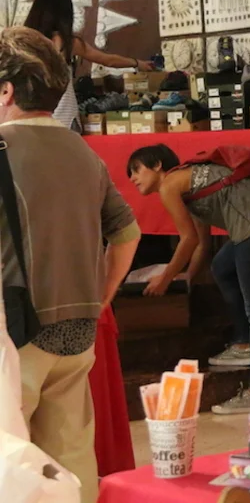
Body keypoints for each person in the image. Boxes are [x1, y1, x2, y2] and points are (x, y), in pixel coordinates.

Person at [0, 27, 140, 503]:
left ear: (6, 90)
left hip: (15, 333)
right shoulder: (83, 152)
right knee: (71, 463)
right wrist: (100, 298)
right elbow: (127, 234)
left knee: (11, 467)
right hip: (78, 331)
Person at [126, 144, 250, 414]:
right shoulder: (186, 184)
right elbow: (201, 243)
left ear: (157, 165)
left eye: (136, 170)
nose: (132, 178)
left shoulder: (170, 184)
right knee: (222, 267)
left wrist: (165, 278)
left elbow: (187, 239)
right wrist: (188, 277)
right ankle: (244, 342)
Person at [23, 0, 154, 130]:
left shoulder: (24, 44)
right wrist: (137, 63)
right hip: (65, 116)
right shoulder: (68, 43)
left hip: (33, 117)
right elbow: (108, 60)